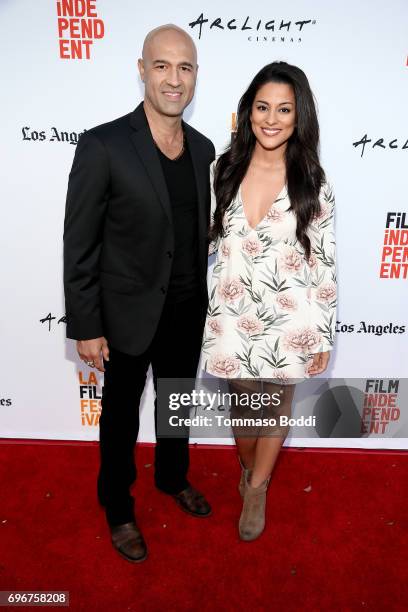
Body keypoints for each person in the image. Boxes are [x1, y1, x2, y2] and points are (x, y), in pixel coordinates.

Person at [63, 24, 215, 563]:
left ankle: (173, 478)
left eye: (186, 67)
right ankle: (118, 507)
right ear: (142, 69)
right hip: (125, 312)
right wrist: (85, 323)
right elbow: (79, 241)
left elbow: (195, 232)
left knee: (176, 403)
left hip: (185, 308)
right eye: (163, 66)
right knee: (121, 417)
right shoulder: (104, 144)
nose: (174, 79)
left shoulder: (202, 149)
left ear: (195, 75)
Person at [201, 61, 337, 541]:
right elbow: (206, 241)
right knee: (244, 411)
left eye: (285, 109)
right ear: (248, 112)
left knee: (276, 407)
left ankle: (256, 488)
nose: (272, 118)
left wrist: (322, 331)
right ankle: (248, 465)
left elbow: (323, 260)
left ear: (299, 117)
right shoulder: (222, 169)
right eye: (263, 107)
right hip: (233, 317)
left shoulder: (312, 181)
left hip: (289, 321)